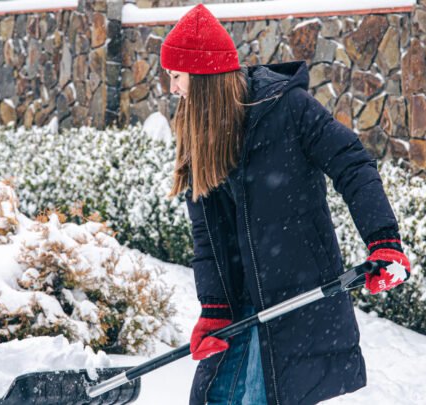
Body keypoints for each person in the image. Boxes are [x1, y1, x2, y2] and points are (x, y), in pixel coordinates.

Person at [160, 4, 411, 405]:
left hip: (297, 300)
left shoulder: (288, 109)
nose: (171, 88)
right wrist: (214, 306)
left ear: (203, 77)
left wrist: (384, 240)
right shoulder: (198, 131)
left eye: (175, 76)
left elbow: (352, 163)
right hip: (242, 310)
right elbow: (207, 234)